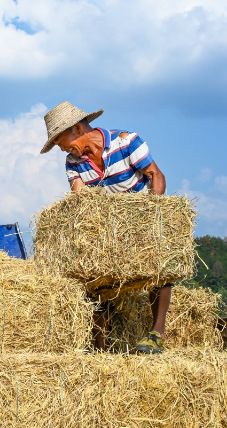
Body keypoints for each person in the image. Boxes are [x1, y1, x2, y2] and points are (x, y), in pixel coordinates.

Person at [40, 101, 170, 354]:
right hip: (107, 229)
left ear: (76, 128)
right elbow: (80, 199)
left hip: (139, 217)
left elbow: (155, 175)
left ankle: (157, 333)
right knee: (91, 274)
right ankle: (101, 347)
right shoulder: (73, 161)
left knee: (159, 267)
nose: (60, 147)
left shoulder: (127, 142)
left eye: (59, 140)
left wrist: (153, 215)